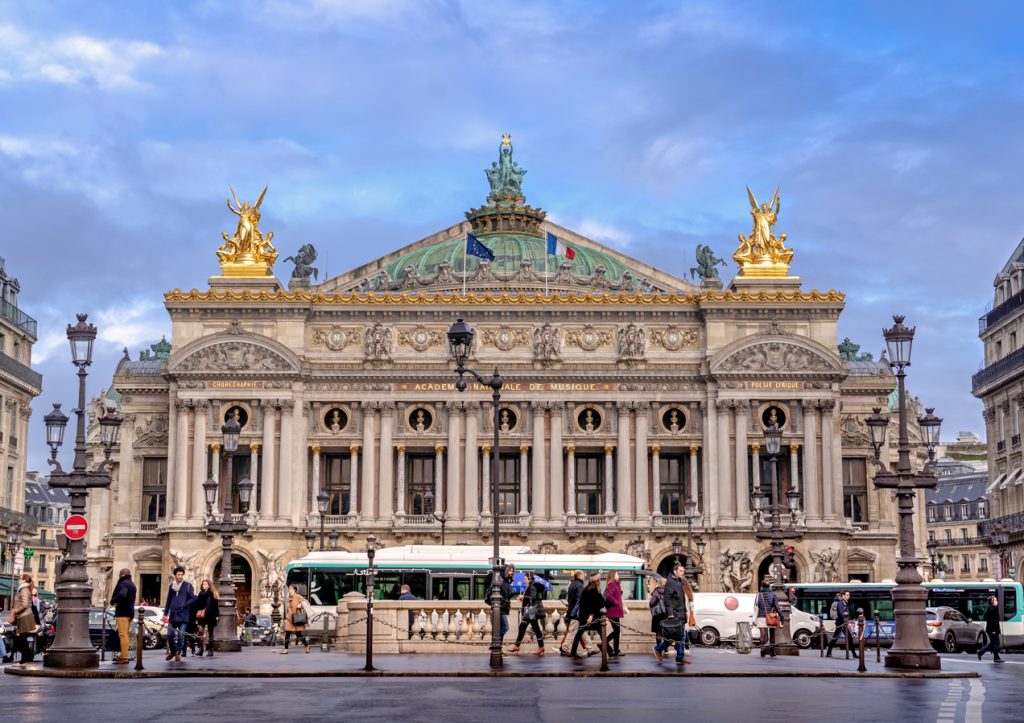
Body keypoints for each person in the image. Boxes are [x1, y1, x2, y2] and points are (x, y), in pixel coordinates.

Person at [654, 563, 692, 665]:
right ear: (675, 571)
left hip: (681, 613)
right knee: (678, 636)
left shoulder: (679, 581)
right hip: (675, 614)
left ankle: (679, 656)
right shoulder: (671, 582)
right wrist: (670, 613)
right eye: (680, 571)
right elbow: (667, 597)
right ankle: (660, 649)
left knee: (678, 636)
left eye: (683, 571)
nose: (682, 573)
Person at [162, 566, 196, 662]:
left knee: (181, 635)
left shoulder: (188, 586)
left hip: (183, 614)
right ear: (175, 575)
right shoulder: (171, 587)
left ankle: (177, 653)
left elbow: (193, 598)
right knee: (169, 635)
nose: (180, 576)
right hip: (173, 615)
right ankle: (173, 651)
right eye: (178, 574)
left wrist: (185, 604)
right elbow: (168, 600)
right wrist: (165, 613)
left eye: (181, 574)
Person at [569, 572, 606, 658]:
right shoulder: (593, 590)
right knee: (601, 633)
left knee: (579, 634)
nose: (600, 581)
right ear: (597, 580)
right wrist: (591, 615)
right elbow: (592, 605)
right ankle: (609, 650)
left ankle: (573, 652)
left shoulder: (588, 588)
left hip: (585, 616)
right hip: (590, 617)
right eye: (599, 579)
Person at [508, 572, 546, 656]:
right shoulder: (532, 585)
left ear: (529, 578)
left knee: (535, 629)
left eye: (525, 579)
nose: (524, 580)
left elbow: (533, 598)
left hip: (532, 612)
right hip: (530, 612)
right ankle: (517, 645)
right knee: (523, 627)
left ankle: (541, 647)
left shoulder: (532, 586)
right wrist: (523, 598)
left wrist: (523, 597)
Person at [559, 570, 590, 655]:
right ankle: (564, 648)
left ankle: (590, 648)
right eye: (583, 575)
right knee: (572, 632)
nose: (584, 576)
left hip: (572, 612)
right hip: (576, 613)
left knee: (581, 630)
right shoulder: (579, 586)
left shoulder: (572, 585)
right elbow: (581, 600)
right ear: (579, 576)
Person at [110, 568, 136, 664]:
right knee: (126, 634)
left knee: (123, 634)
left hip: (123, 612)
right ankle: (123, 655)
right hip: (130, 612)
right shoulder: (132, 584)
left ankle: (124, 657)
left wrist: (113, 601)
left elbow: (122, 594)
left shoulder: (123, 584)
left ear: (122, 575)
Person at [10, 573, 37, 663]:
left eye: (20, 578)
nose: (19, 580)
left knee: (22, 638)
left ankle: (25, 657)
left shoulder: (24, 589)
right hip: (24, 615)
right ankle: (27, 656)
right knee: (22, 637)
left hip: (24, 616)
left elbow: (25, 604)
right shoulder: (23, 589)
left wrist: (16, 611)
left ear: (24, 580)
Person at [485, 566, 514, 648]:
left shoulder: (504, 580)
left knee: (501, 628)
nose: (511, 573)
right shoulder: (501, 580)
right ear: (505, 571)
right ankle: (495, 643)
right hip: (500, 608)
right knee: (505, 627)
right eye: (510, 571)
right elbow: (502, 595)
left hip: (501, 607)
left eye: (512, 571)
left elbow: (505, 595)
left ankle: (498, 647)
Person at [756, 579, 781, 658]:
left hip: (761, 616)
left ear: (762, 586)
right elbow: (777, 607)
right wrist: (781, 616)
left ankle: (762, 651)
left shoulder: (758, 595)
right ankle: (772, 651)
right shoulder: (773, 594)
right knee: (772, 634)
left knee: (762, 635)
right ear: (769, 586)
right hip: (771, 616)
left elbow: (756, 605)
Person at [283, 584, 311, 654]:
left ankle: (307, 646)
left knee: (299, 635)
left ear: (294, 590)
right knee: (287, 633)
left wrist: (300, 606)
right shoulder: (288, 597)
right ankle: (286, 649)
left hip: (296, 618)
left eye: (290, 588)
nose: (289, 589)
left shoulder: (298, 597)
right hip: (289, 618)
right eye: (289, 588)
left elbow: (306, 604)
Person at [194, 579, 219, 656]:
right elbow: (197, 605)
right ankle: (201, 649)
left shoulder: (212, 594)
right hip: (202, 616)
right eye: (203, 584)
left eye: (205, 584)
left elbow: (215, 606)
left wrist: (217, 615)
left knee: (210, 633)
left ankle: (210, 650)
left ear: (209, 585)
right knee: (200, 632)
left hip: (210, 615)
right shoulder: (201, 594)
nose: (203, 585)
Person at [604, 570, 625, 657]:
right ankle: (604, 643)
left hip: (616, 611)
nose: (618, 575)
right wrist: (616, 602)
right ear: (613, 575)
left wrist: (621, 591)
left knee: (617, 630)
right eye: (617, 574)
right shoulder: (611, 584)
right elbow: (609, 596)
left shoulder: (616, 584)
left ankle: (616, 649)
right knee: (617, 630)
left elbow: (617, 594)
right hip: (613, 611)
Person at [977, 596, 1003, 662]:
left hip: (993, 629)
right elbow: (992, 621)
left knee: (993, 643)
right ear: (992, 602)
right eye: (996, 600)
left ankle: (995, 657)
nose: (997, 602)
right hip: (992, 630)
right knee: (996, 643)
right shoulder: (992, 609)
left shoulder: (993, 608)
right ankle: (995, 657)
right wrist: (994, 630)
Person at [825, 590, 850, 657]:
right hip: (841, 624)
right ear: (843, 596)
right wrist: (847, 621)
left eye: (849, 595)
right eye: (847, 595)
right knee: (835, 638)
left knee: (848, 638)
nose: (849, 597)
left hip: (842, 623)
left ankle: (854, 653)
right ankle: (828, 652)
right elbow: (842, 614)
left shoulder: (845, 603)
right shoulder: (840, 603)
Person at [648, 576, 667, 658]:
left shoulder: (656, 592)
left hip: (658, 615)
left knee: (658, 633)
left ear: (659, 583)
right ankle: (665, 649)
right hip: (666, 614)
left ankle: (659, 649)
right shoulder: (668, 592)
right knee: (666, 632)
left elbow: (651, 603)